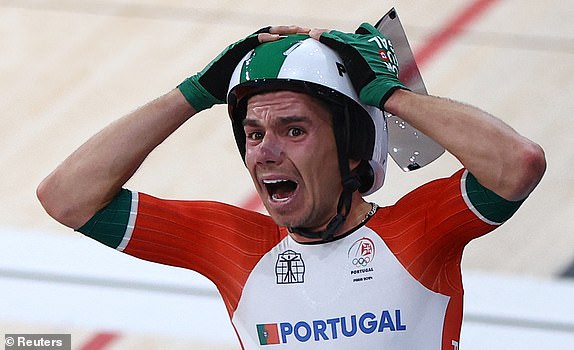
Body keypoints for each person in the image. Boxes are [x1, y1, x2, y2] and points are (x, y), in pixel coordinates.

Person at [37, 23, 546, 349]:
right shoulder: (231, 244)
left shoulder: (420, 231)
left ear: (351, 146)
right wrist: (195, 93)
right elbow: (66, 197)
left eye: (293, 130)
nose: (265, 150)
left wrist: (388, 94)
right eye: (254, 133)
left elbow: (516, 163)